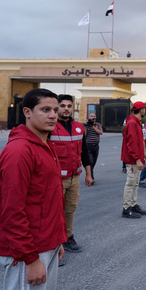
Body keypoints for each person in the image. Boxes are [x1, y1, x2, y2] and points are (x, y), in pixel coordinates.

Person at [0, 88, 66, 289]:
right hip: (29, 252)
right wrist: (30, 258)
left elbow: (48, 199)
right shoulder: (19, 151)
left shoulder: (45, 145)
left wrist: (57, 240)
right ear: (27, 112)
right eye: (45, 109)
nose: (53, 115)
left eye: (55, 109)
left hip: (47, 244)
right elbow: (11, 211)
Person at [51, 95, 93, 255]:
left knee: (70, 209)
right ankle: (54, 243)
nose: (66, 109)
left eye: (69, 106)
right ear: (57, 108)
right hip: (55, 179)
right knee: (54, 210)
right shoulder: (50, 127)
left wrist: (88, 174)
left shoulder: (78, 127)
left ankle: (68, 237)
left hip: (74, 176)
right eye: (62, 106)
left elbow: (84, 152)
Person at [121, 101, 146, 218]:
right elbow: (132, 143)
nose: (145, 111)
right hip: (132, 159)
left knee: (135, 183)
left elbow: (138, 142)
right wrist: (137, 159)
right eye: (144, 109)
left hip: (136, 159)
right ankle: (126, 208)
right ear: (141, 110)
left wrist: (142, 158)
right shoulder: (133, 123)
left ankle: (133, 204)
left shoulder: (135, 122)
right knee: (131, 183)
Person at [84, 113, 103, 183]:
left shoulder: (98, 125)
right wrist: (86, 126)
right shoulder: (86, 125)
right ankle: (91, 177)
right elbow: (84, 135)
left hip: (96, 146)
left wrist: (93, 127)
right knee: (90, 162)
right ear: (89, 117)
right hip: (88, 146)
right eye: (91, 116)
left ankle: (89, 173)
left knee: (93, 162)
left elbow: (101, 132)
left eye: (94, 116)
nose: (92, 117)